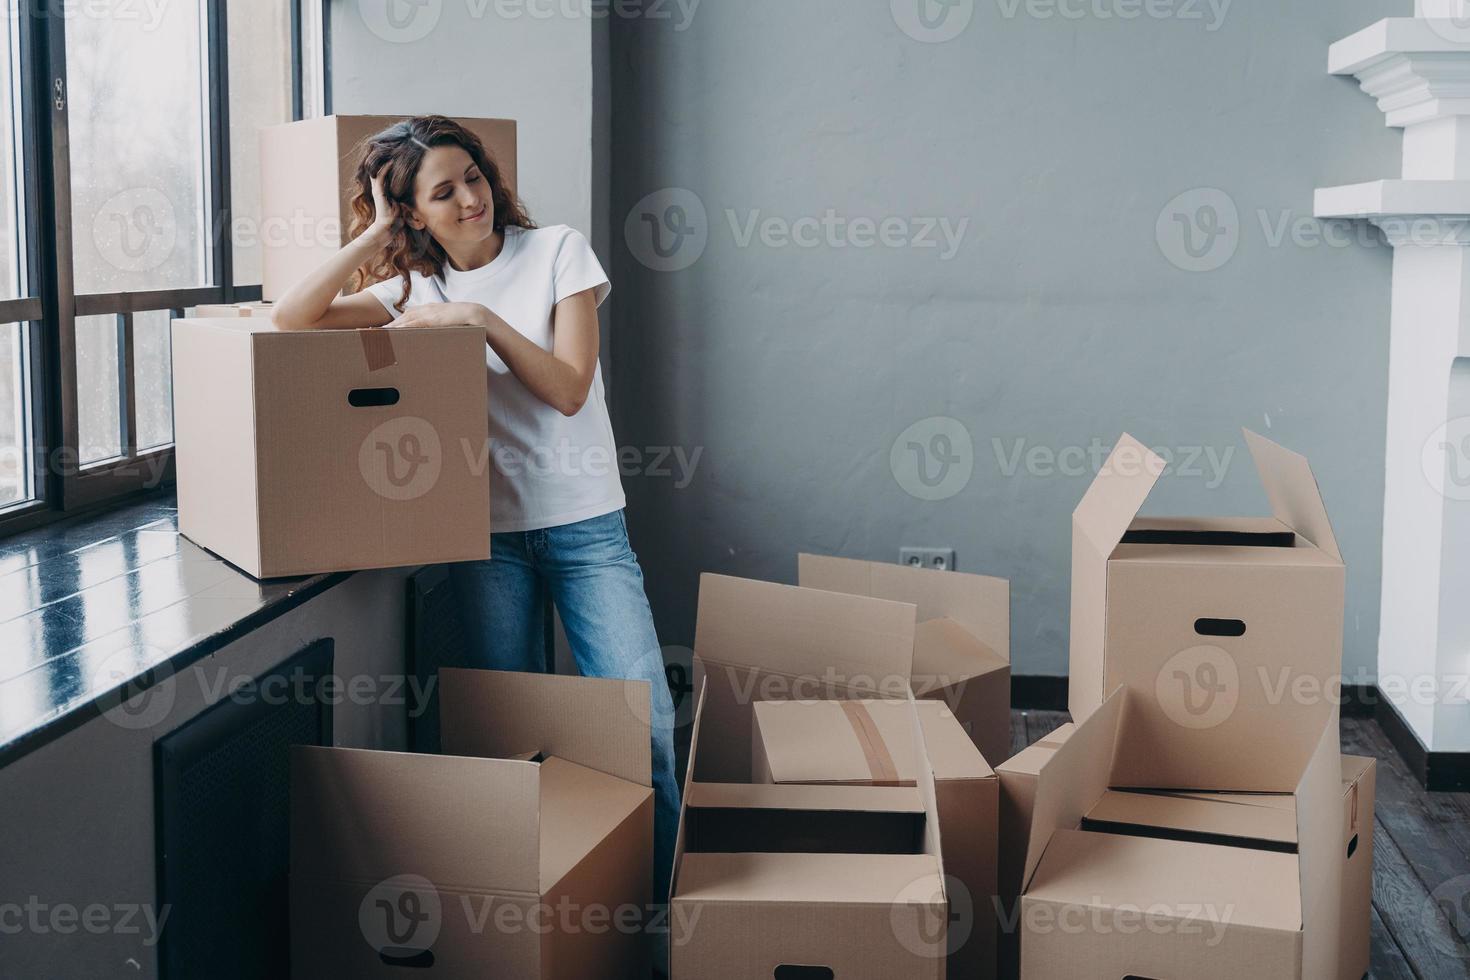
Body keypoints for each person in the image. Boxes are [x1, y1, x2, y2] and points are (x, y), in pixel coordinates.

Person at [272, 115, 680, 930]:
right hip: (485, 537)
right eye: (442, 191)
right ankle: (544, 918)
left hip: (584, 525)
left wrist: (481, 324)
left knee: (650, 728)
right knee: (512, 740)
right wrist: (377, 235)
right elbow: (293, 318)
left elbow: (567, 388)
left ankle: (666, 918)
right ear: (414, 213)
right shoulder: (413, 292)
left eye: (474, 177)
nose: (471, 199)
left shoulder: (557, 251)